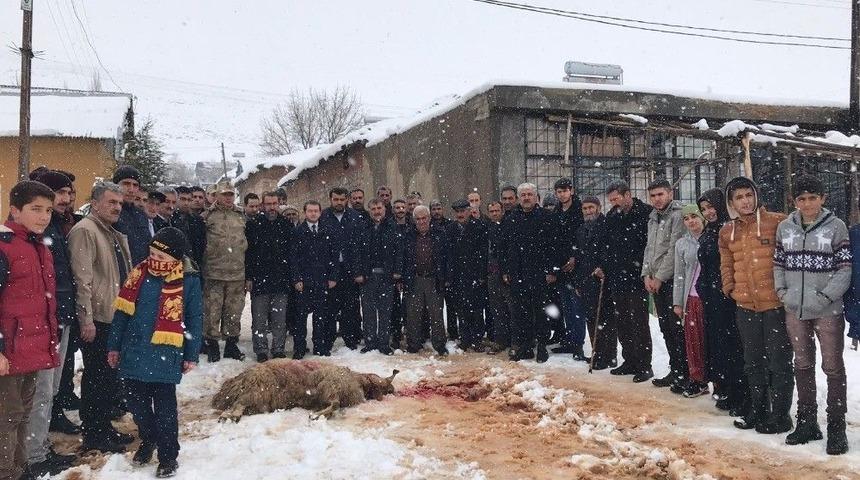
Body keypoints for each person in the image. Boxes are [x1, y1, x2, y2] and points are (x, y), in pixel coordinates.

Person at [107, 227, 203, 478]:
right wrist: (114, 346)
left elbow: (194, 318)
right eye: (152, 254)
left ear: (176, 259)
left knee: (165, 410)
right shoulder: (138, 274)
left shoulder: (189, 280)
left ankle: (169, 456)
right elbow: (122, 314)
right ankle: (149, 440)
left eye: (161, 258)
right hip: (134, 350)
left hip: (166, 353)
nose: (154, 261)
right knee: (137, 407)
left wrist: (191, 353)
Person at [773, 174, 850, 454]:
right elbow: (778, 264)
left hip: (827, 310)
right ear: (795, 201)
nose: (807, 204)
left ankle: (836, 427)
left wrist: (826, 296)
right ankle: (807, 421)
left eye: (812, 198)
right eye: (802, 199)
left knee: (833, 367)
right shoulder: (785, 227)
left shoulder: (836, 227)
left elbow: (845, 268)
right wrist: (783, 293)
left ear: (822, 199)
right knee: (802, 364)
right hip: (795, 309)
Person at [719, 176, 793, 434]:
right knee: (753, 362)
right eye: (739, 197)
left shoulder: (778, 221)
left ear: (756, 196)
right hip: (746, 307)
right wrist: (729, 286)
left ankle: (781, 415)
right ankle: (759, 409)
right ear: (732, 202)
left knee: (779, 361)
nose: (745, 201)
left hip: (775, 305)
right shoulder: (727, 231)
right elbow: (726, 263)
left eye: (748, 195)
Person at [0, 181, 62, 480]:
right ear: (15, 210)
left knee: (23, 413)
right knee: (6, 417)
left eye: (48, 210)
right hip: (9, 351)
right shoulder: (4, 247)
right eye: (35, 209)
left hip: (32, 347)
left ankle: (20, 468)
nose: (44, 216)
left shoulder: (38, 246)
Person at [69, 182, 134, 453]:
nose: (117, 207)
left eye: (120, 203)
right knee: (97, 377)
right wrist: (86, 319)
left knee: (108, 378)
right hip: (98, 318)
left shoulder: (107, 231)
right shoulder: (85, 231)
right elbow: (81, 280)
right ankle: (95, 434)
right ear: (95, 203)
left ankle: (104, 427)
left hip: (113, 314)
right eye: (111, 202)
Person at [24, 172, 80, 476]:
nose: (66, 199)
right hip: (42, 324)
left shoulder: (57, 227)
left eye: (69, 193)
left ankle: (39, 446)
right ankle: (33, 455)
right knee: (39, 392)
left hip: (60, 318)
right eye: (59, 193)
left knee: (52, 388)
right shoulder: (29, 234)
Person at [595, 181, 653, 382]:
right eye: (610, 200)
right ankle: (629, 360)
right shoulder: (612, 216)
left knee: (639, 322)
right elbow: (606, 244)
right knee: (623, 322)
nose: (613, 203)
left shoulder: (646, 213)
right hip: (616, 277)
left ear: (627, 194)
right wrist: (604, 264)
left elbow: (649, 245)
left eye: (616, 199)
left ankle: (644, 365)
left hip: (636, 277)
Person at [697, 188, 747, 415]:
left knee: (733, 346)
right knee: (717, 345)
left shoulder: (731, 230)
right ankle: (724, 387)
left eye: (711, 207)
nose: (708, 212)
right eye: (704, 209)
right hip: (711, 297)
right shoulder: (709, 232)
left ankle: (740, 393)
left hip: (728, 296)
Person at [503, 183, 558, 363]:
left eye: (529, 194)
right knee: (521, 312)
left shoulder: (547, 217)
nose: (526, 198)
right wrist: (506, 270)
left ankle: (542, 345)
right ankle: (525, 346)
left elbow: (552, 246)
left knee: (541, 311)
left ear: (536, 197)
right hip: (518, 273)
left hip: (539, 273)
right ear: (519, 198)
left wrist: (551, 270)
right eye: (523, 195)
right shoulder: (511, 218)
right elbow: (506, 247)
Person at [641, 179, 686, 391]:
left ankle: (685, 372)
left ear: (670, 193)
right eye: (653, 196)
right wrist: (646, 275)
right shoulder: (652, 218)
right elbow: (649, 249)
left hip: (672, 280)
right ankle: (675, 369)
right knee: (666, 328)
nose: (657, 199)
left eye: (660, 194)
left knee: (677, 329)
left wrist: (659, 277)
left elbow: (673, 250)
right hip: (655, 281)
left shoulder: (678, 215)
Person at [201, 180, 248, 362]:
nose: (228, 197)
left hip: (237, 272)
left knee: (234, 311)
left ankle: (231, 345)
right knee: (212, 311)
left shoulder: (241, 215)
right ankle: (212, 345)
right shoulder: (207, 216)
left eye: (231, 194)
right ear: (217, 195)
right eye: (225, 194)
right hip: (214, 272)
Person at [245, 192, 293, 362]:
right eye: (268, 204)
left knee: (279, 319)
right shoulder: (253, 225)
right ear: (262, 206)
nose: (272, 207)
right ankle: (261, 350)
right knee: (259, 319)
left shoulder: (286, 225)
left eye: (275, 203)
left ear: (279, 204)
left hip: (281, 280)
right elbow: (249, 253)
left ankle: (279, 349)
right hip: (260, 279)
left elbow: (292, 253)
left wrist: (291, 276)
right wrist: (249, 276)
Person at [352, 199, 403, 355]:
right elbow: (356, 252)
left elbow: (398, 251)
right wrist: (358, 273)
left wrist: (397, 271)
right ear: (369, 211)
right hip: (367, 277)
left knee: (385, 312)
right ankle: (370, 342)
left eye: (379, 208)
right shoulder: (363, 228)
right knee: (368, 311)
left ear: (384, 209)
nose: (376, 211)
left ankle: (383, 343)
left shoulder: (392, 227)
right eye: (373, 208)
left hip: (386, 276)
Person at [290, 201, 337, 358]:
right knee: (300, 317)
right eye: (310, 211)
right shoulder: (298, 232)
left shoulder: (326, 231)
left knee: (321, 316)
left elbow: (333, 256)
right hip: (304, 281)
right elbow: (294, 258)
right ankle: (300, 348)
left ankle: (319, 345)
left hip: (322, 280)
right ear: (305, 212)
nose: (313, 214)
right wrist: (297, 278)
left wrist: (332, 276)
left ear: (320, 212)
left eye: (316, 211)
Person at [320, 187, 365, 350]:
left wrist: (358, 271)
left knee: (350, 307)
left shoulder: (355, 217)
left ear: (347, 200)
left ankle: (350, 340)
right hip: (330, 270)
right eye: (335, 199)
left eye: (342, 199)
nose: (339, 203)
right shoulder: (323, 216)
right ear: (330, 199)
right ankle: (328, 340)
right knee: (329, 307)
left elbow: (360, 246)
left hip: (349, 270)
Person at [672, 205, 709, 398]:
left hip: (710, 298)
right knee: (693, 342)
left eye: (694, 216)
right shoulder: (682, 244)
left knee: (711, 341)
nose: (691, 221)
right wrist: (678, 302)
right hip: (691, 297)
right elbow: (679, 274)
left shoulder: (713, 237)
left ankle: (717, 381)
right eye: (686, 218)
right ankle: (697, 379)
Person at [574, 196, 614, 369]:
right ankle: (597, 352)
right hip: (586, 279)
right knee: (591, 317)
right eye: (585, 208)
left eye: (591, 207)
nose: (588, 211)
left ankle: (609, 355)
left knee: (606, 318)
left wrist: (603, 266)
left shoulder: (606, 226)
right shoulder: (581, 229)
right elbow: (579, 257)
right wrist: (578, 282)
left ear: (598, 208)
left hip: (602, 277)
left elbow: (610, 250)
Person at [402, 205, 449, 355]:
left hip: (433, 279)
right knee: (413, 314)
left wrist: (446, 277)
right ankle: (413, 344)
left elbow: (446, 257)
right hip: (414, 279)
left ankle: (440, 345)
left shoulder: (440, 234)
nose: (421, 222)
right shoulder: (408, 236)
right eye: (418, 219)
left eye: (424, 218)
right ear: (414, 220)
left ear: (429, 218)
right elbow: (403, 258)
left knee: (436, 314)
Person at [446, 199, 489, 352]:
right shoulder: (450, 229)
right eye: (457, 212)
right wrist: (449, 276)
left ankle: (477, 339)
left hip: (475, 275)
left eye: (463, 211)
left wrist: (482, 274)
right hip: (457, 276)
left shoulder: (479, 227)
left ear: (469, 211)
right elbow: (448, 254)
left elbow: (484, 253)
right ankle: (465, 338)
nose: (460, 214)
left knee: (476, 309)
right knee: (461, 309)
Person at [551, 178, 585, 358]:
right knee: (566, 306)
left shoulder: (580, 209)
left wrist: (575, 256)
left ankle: (578, 343)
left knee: (577, 306)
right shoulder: (556, 211)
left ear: (571, 191)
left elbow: (582, 236)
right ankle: (569, 340)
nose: (562, 194)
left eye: (565, 190)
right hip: (561, 265)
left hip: (577, 266)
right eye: (559, 191)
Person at [486, 201, 513, 355]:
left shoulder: (507, 226)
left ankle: (515, 340)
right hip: (491, 274)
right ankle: (501, 339)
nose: (494, 213)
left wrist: (507, 271)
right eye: (492, 211)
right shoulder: (488, 228)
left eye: (497, 210)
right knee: (497, 309)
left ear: (502, 211)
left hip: (506, 274)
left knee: (511, 308)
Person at [113, 166, 153, 265]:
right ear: (116, 185)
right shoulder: (110, 212)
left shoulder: (141, 215)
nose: (131, 189)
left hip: (140, 275)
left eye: (135, 185)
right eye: (126, 184)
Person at [390, 199, 412, 349]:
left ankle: (411, 334)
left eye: (402, 207)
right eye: (397, 207)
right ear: (393, 210)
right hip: (394, 273)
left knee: (410, 307)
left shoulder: (411, 226)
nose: (400, 210)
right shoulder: (390, 227)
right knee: (395, 307)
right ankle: (396, 335)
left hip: (410, 270)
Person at [170, 186, 206, 268]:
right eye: (182, 199)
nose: (186, 203)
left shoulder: (197, 220)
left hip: (193, 265)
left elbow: (201, 245)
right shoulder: (169, 219)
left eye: (189, 200)